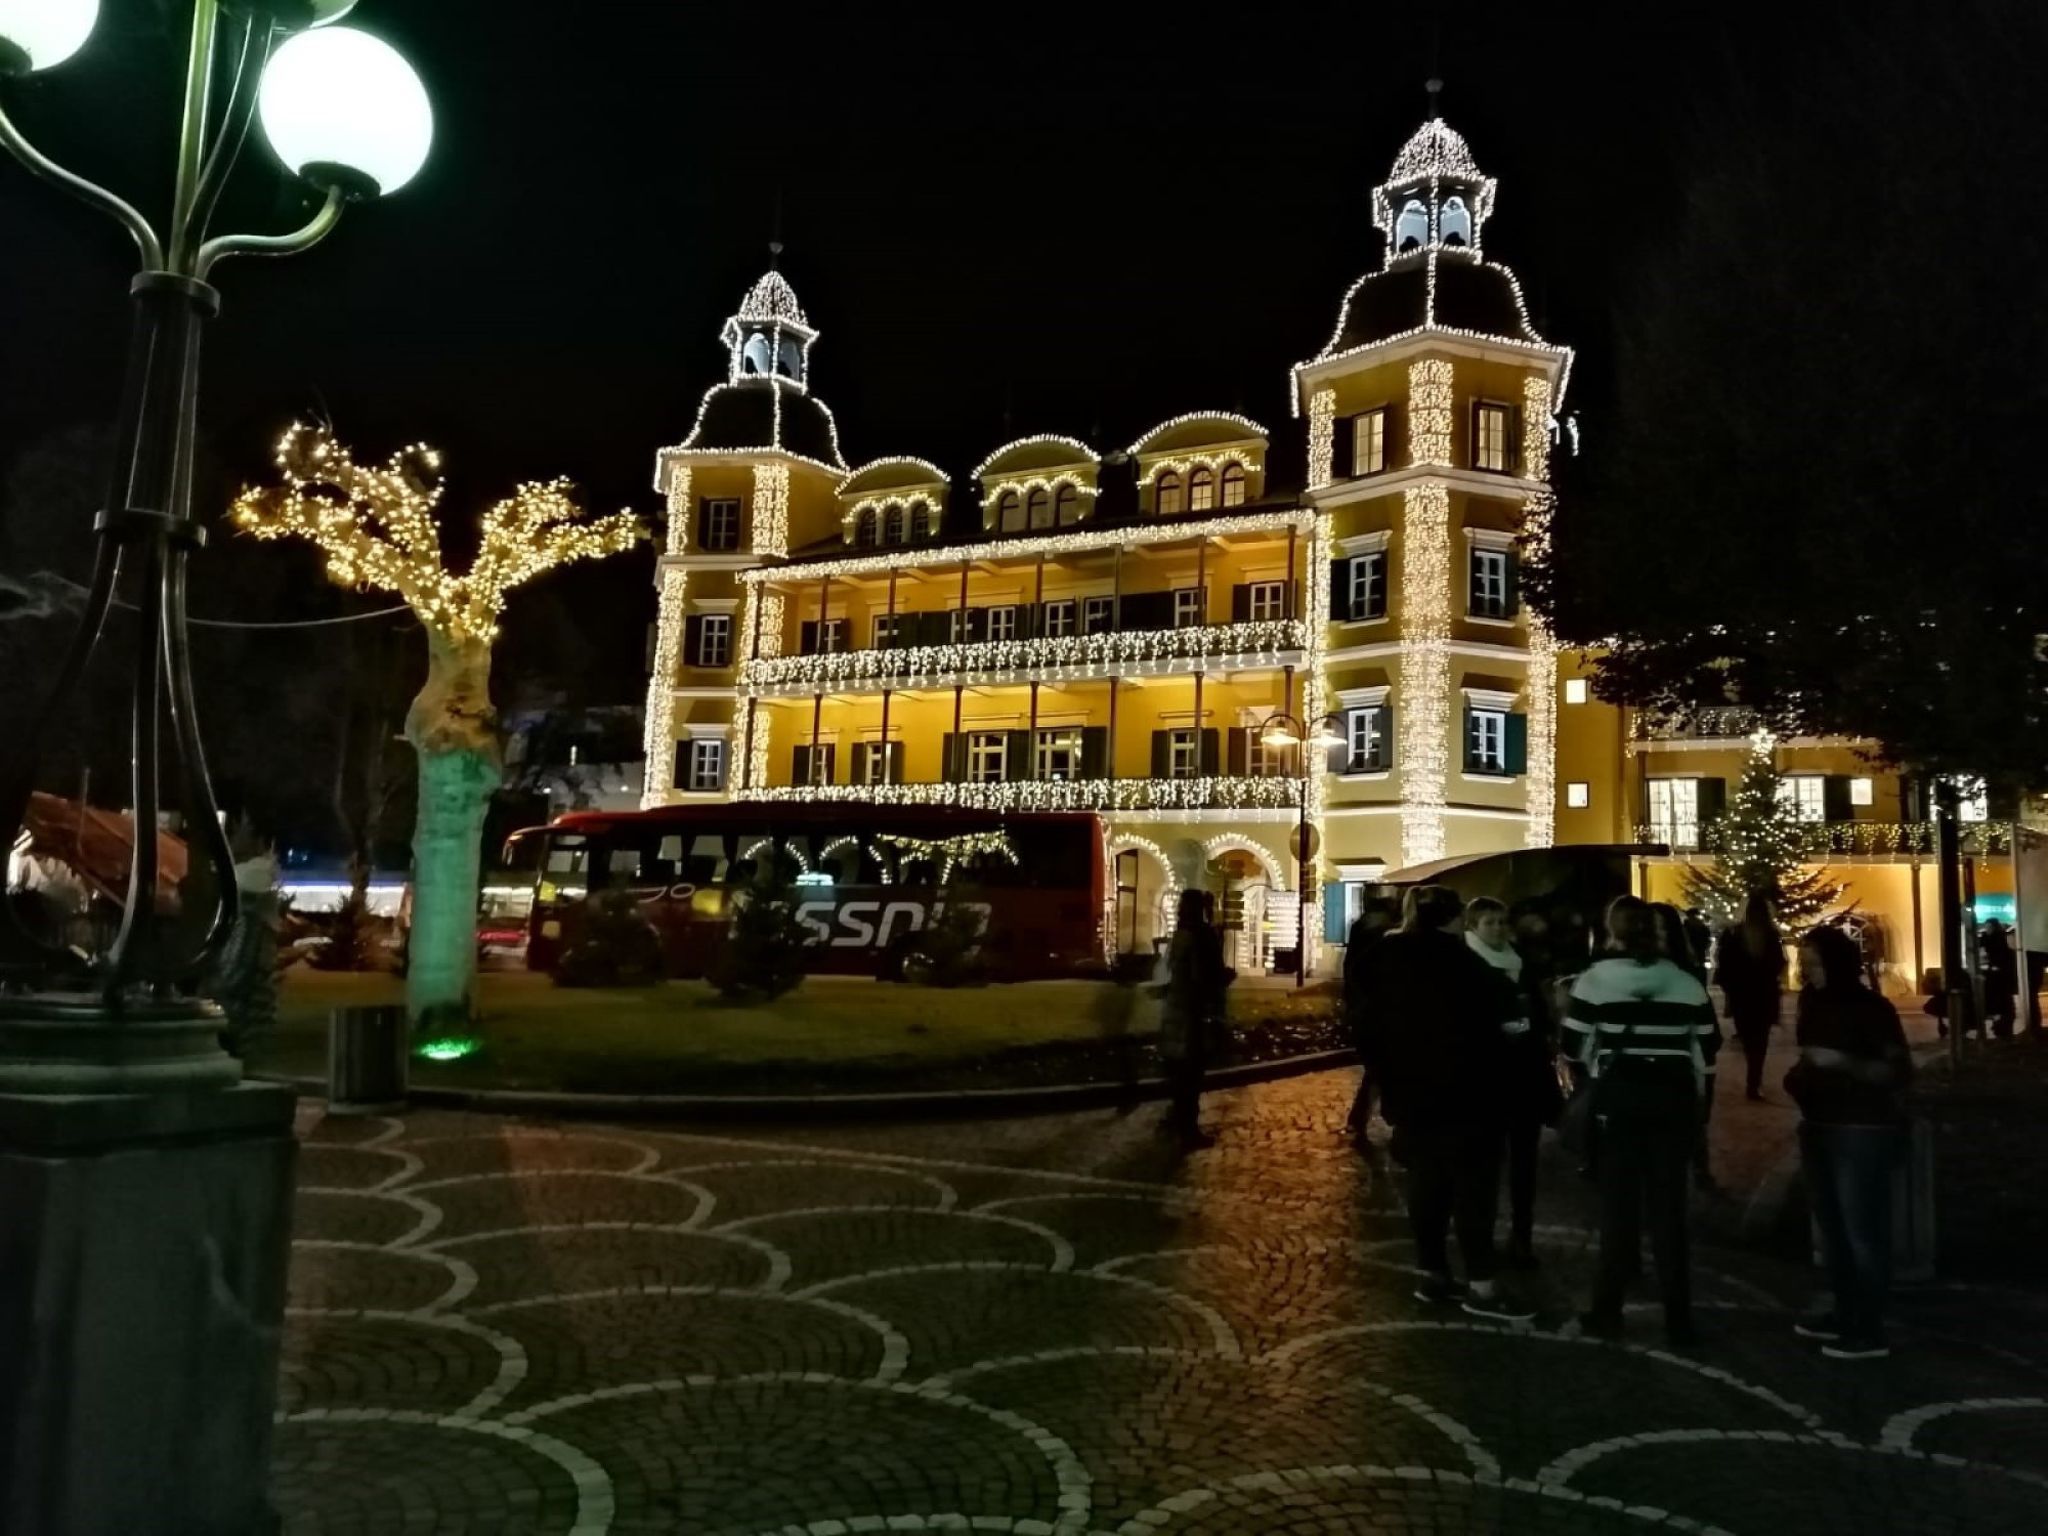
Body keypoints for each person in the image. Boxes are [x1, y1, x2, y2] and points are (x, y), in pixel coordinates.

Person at [1364, 885, 1532, 1321]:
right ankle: (1481, 1285)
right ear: (1455, 919)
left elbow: (1367, 1025)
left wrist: (1388, 1082)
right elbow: (1506, 1017)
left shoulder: (1386, 958)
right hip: (1467, 1096)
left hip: (1411, 1095)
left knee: (1426, 1186)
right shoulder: (1463, 963)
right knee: (1473, 1191)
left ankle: (1432, 1273)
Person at [1566, 895, 1721, 1346]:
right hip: (1672, 1102)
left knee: (1618, 1211)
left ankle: (1607, 1310)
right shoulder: (1686, 984)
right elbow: (1708, 1043)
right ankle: (1678, 1320)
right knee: (1669, 1212)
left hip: (1620, 1102)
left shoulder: (1595, 981)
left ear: (1613, 933)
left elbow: (1573, 1045)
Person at [1787, 923, 1914, 1360]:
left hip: (1861, 1128)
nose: (1809, 972)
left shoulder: (1871, 1008)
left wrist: (1841, 1062)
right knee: (1834, 1229)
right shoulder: (1812, 1001)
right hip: (1819, 1123)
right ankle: (1845, 1311)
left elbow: (1895, 1071)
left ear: (1837, 964)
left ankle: (1870, 1328)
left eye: (1816, 964)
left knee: (1862, 1230)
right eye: (1805, 965)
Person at [1466, 896, 1559, 1268]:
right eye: (1489, 922)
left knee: (1524, 1163)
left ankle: (1522, 1236)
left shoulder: (1523, 963)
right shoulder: (1467, 965)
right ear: (1474, 927)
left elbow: (1541, 1013)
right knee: (1482, 1166)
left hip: (1525, 1076)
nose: (1498, 929)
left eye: (1502, 921)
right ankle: (1480, 1238)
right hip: (1482, 1079)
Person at [1651, 901, 1722, 1192]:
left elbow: (1709, 1032)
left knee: (1691, 1122)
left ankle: (1697, 1168)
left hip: (1685, 1062)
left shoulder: (1687, 974)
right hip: (1657, 1063)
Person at [1161, 888, 1231, 1148]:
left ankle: (1178, 1119)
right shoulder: (1201, 936)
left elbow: (1172, 973)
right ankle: (1187, 1129)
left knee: (1181, 1073)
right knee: (1191, 1075)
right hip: (1194, 1015)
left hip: (1175, 1012)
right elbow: (1202, 978)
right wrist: (1223, 979)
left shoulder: (1179, 935)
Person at [1713, 891, 1786, 1101]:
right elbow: (1777, 963)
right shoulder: (1770, 935)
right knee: (1760, 1041)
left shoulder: (1734, 934)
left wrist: (1730, 988)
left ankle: (1753, 1078)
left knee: (1748, 1038)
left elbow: (1725, 964)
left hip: (1742, 995)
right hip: (1763, 994)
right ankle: (1754, 1079)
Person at [1342, 896, 1402, 1142]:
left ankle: (1362, 1118)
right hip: (1375, 1012)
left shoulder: (1363, 931)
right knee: (1379, 1070)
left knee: (1376, 1070)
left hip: (1366, 1010)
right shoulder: (1378, 938)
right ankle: (1373, 1118)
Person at [1980, 920, 2018, 1040]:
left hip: (1999, 975)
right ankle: (2003, 1028)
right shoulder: (2001, 938)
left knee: (2001, 1001)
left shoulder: (1996, 940)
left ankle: (2002, 1027)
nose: (1987, 929)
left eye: (1989, 927)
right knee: (2004, 1002)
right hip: (2002, 975)